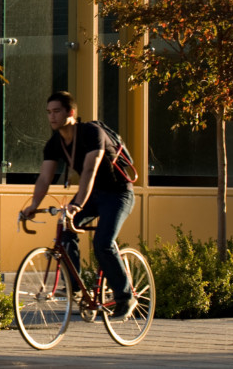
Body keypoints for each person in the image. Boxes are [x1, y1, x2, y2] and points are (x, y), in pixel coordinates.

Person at [18, 91, 137, 321]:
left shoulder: (92, 133)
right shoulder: (55, 143)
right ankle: (76, 287)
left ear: (71, 113)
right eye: (49, 113)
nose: (51, 117)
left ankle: (125, 296)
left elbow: (91, 170)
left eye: (57, 112)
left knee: (103, 242)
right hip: (93, 195)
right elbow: (44, 178)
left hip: (118, 193)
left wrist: (77, 204)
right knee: (64, 228)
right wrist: (33, 205)